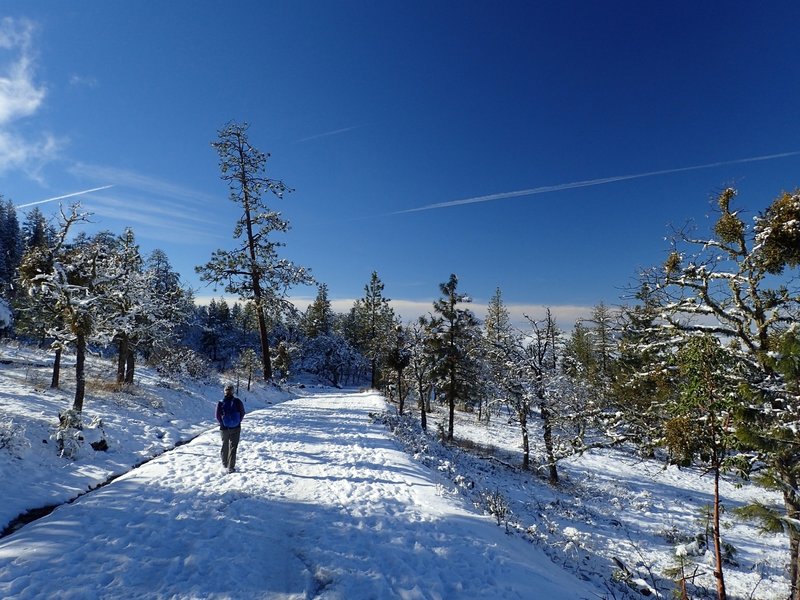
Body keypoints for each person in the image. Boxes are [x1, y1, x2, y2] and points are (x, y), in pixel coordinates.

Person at [216, 383, 245, 473]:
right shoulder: (237, 401)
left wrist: (222, 423)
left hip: (224, 428)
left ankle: (225, 464)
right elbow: (242, 412)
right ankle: (231, 467)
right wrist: (238, 421)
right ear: (233, 392)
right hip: (236, 427)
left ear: (224, 392)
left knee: (225, 445)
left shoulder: (220, 402)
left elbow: (217, 416)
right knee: (233, 447)